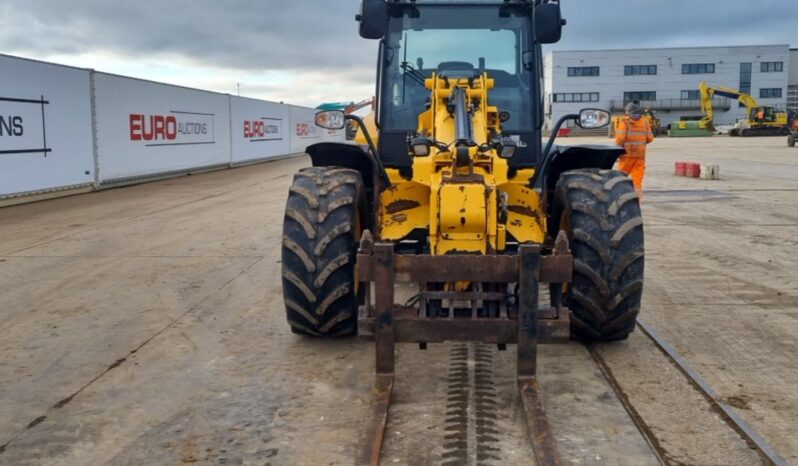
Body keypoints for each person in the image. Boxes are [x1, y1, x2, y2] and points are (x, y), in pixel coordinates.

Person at [615, 102, 654, 199]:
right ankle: (636, 203)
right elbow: (650, 138)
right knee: (637, 182)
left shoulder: (625, 122)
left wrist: (616, 153)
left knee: (620, 179)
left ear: (628, 112)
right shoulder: (645, 122)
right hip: (640, 156)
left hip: (626, 156)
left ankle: (619, 199)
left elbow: (620, 139)